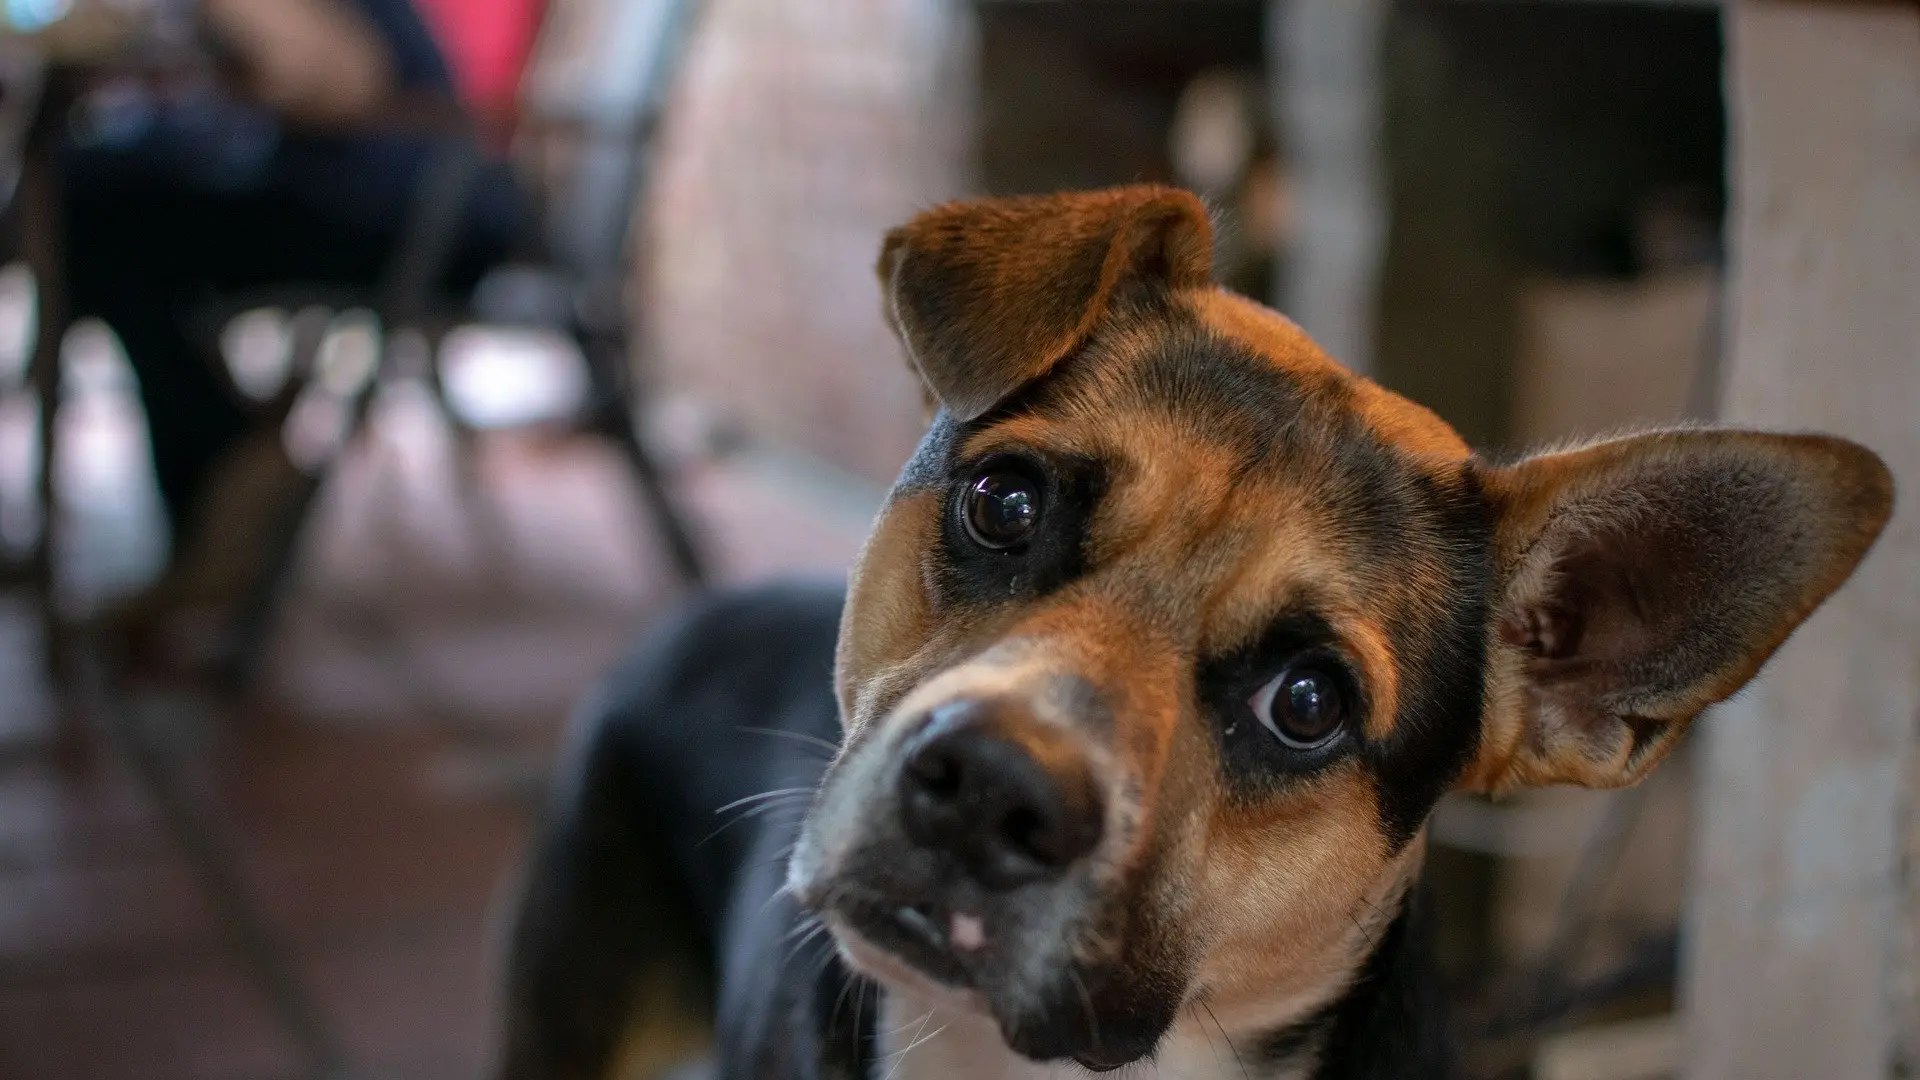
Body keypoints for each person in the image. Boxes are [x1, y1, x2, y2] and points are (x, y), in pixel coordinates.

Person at [61, 0, 527, 628]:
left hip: (418, 214)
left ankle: (220, 464)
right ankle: (219, 470)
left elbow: (329, 79)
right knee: (104, 193)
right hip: (390, 190)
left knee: (96, 211)